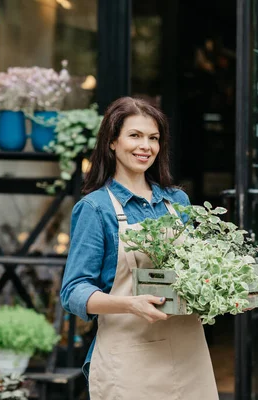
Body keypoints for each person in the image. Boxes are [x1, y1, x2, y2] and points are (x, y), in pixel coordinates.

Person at [60, 97, 219, 399]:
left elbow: (198, 271)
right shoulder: (96, 208)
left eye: (153, 138)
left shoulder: (177, 202)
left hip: (188, 352)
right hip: (129, 358)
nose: (145, 146)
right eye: (135, 135)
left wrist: (224, 291)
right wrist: (131, 304)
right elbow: (74, 291)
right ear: (112, 142)